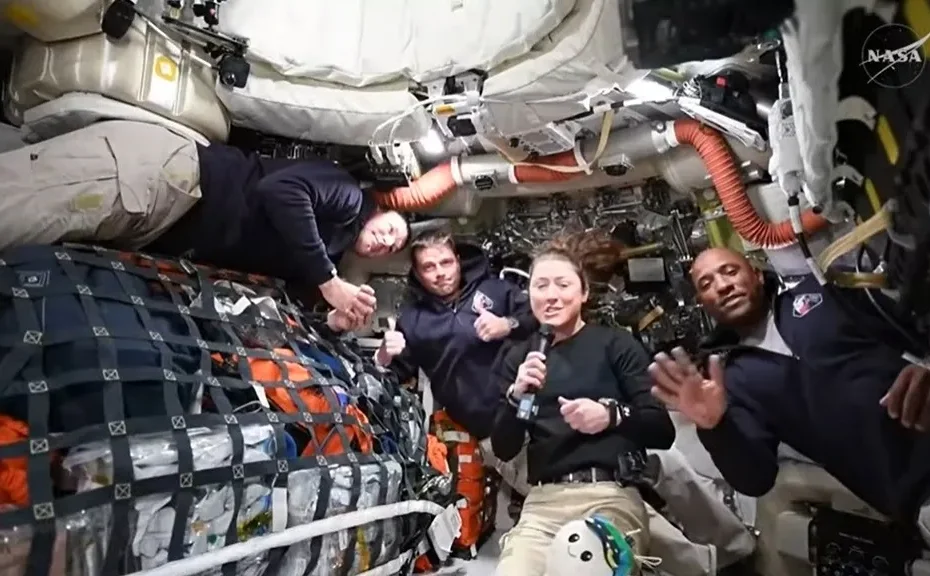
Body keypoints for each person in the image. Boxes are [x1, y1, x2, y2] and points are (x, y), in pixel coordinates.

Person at [648, 246, 930, 542]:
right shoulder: (730, 379)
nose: (722, 285)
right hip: (917, 493)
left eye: (730, 271)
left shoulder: (818, 293)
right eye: (706, 284)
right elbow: (755, 479)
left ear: (756, 275)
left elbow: (908, 318)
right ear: (702, 303)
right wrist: (714, 427)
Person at [0, 120, 409, 318]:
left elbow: (289, 297)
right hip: (167, 180)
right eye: (391, 229)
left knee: (28, 227)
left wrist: (333, 318)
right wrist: (329, 282)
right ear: (379, 209)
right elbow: (281, 193)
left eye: (391, 248)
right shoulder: (349, 197)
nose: (386, 242)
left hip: (163, 225)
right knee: (23, 207)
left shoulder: (329, 254)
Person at [490, 242, 676, 576]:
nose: (551, 296)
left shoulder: (616, 344)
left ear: (584, 292)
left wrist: (611, 415)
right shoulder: (519, 358)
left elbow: (662, 428)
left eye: (563, 285)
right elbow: (504, 446)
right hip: (543, 504)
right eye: (541, 286)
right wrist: (517, 397)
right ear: (529, 294)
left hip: (610, 497)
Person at [374, 232, 538, 497]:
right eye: (429, 267)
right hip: (494, 433)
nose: (440, 273)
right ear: (417, 273)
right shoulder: (413, 321)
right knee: (543, 497)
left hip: (539, 409)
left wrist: (507, 324)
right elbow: (395, 376)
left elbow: (538, 317)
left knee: (581, 486)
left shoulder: (495, 289)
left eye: (446, 262)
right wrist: (383, 356)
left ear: (458, 261)